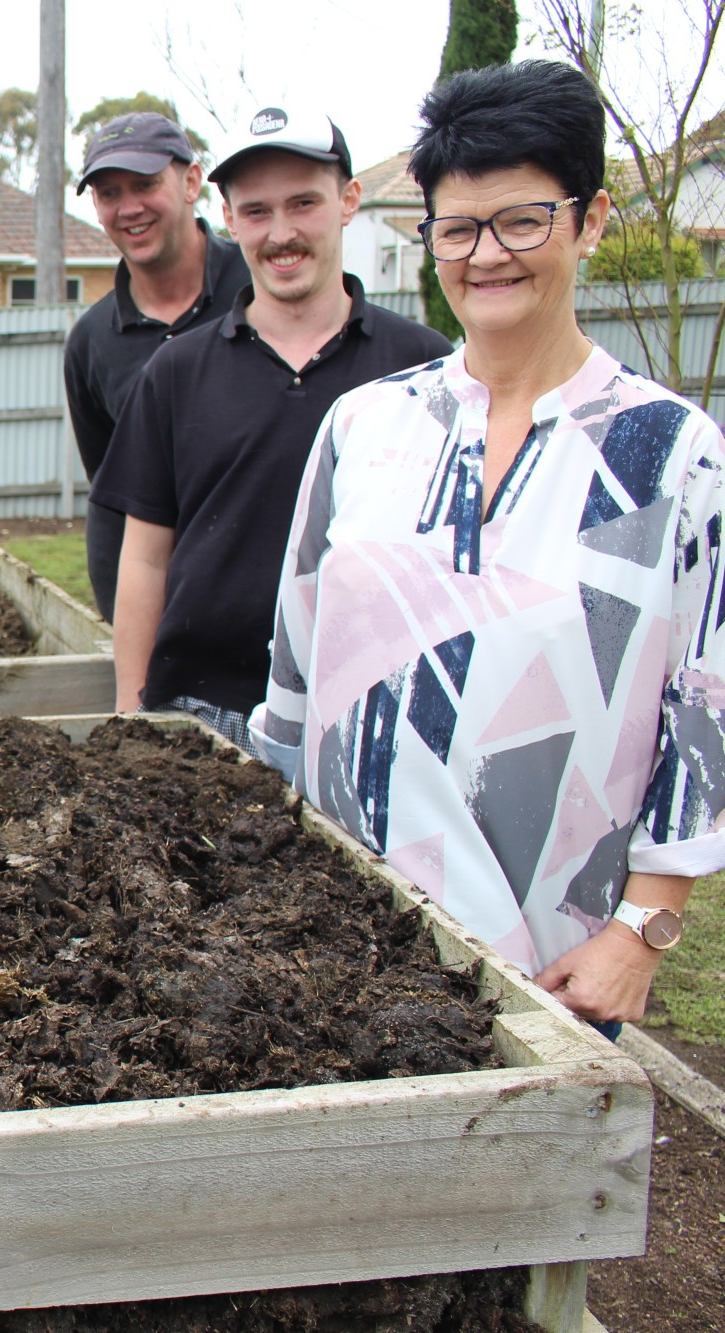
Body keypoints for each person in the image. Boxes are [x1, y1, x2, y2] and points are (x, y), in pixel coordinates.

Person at [252, 61, 725, 1028]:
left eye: (523, 221)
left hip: (545, 971)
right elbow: (293, 667)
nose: (487, 256)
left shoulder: (672, 455)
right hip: (334, 944)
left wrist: (642, 931)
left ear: (589, 220)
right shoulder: (363, 426)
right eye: (457, 229)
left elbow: (704, 711)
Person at [92, 106, 451, 745]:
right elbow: (145, 559)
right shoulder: (176, 372)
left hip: (369, 715)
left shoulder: (422, 367)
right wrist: (131, 721)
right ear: (229, 218)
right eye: (257, 211)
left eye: (304, 204)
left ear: (349, 201)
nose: (281, 233)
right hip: (204, 714)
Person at [63, 112, 252, 620]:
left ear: (192, 181)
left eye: (145, 185)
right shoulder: (91, 343)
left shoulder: (260, 290)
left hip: (278, 602)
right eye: (108, 193)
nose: (129, 208)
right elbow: (114, 494)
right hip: (168, 615)